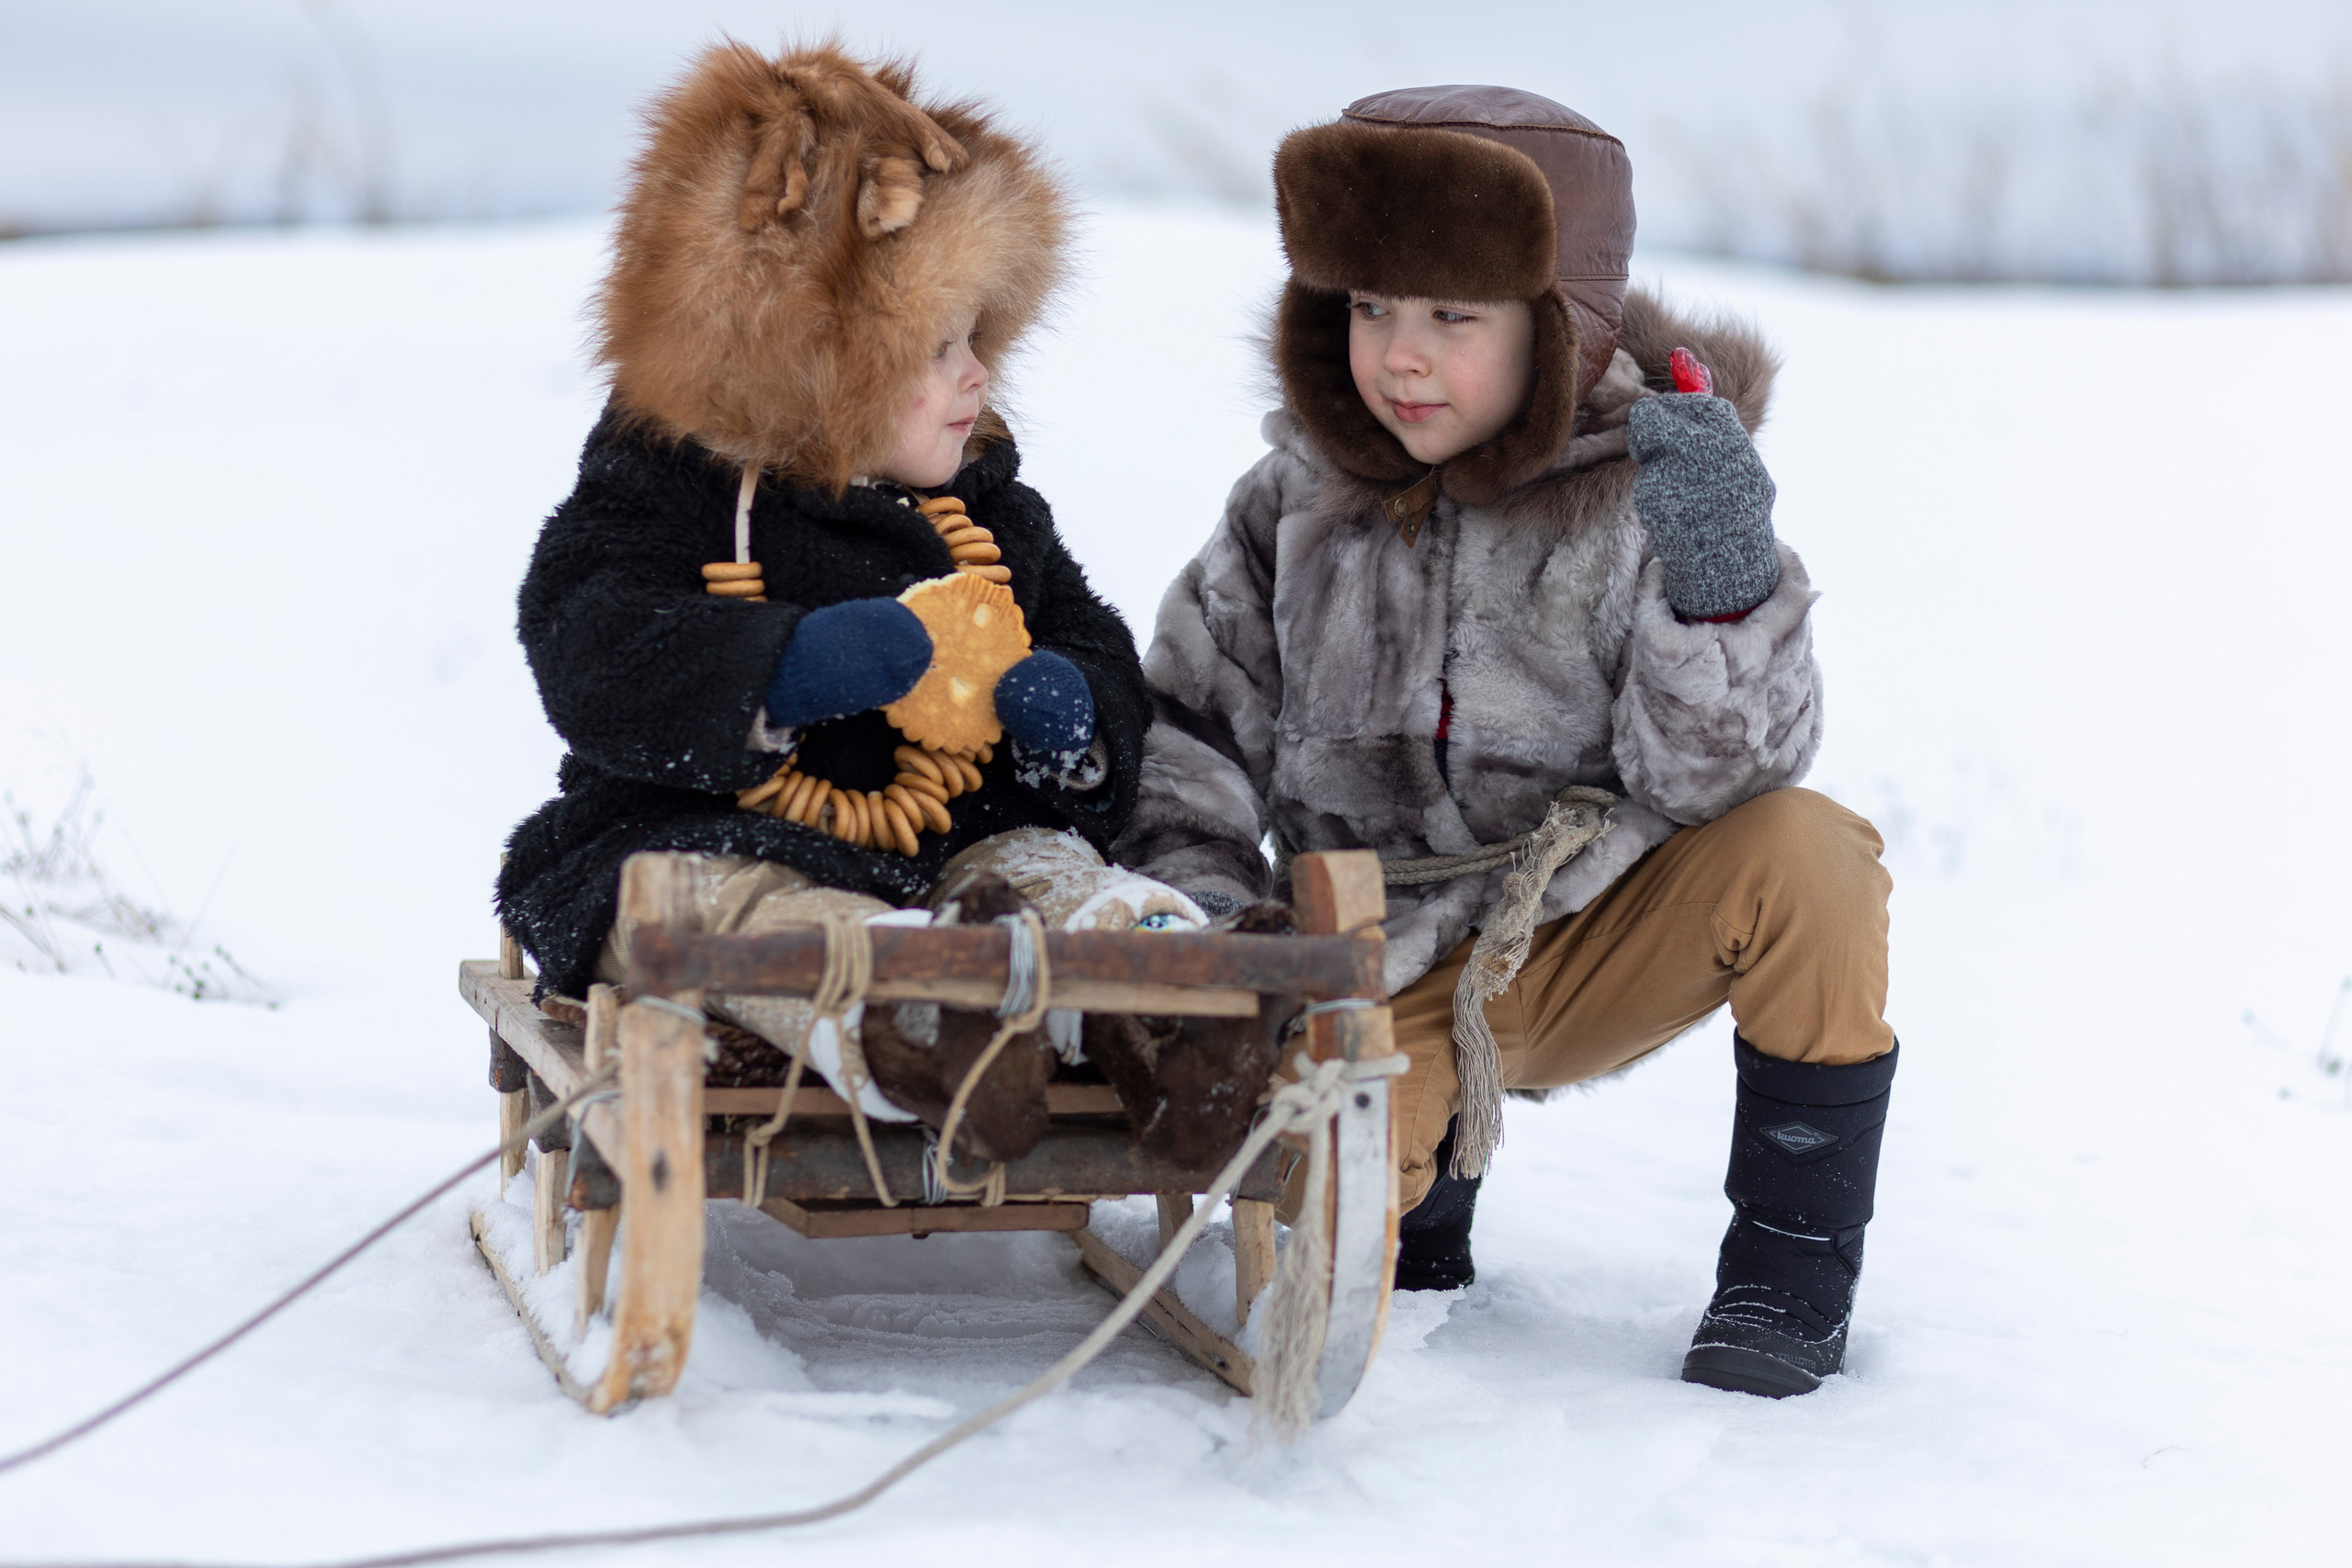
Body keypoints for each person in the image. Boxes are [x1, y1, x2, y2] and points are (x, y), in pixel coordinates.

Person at [1116, 85, 1897, 1398]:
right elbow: (1187, 736)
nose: (1399, 357)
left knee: (1809, 857)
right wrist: (1219, 928)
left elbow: (1717, 779)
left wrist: (1720, 584)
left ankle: (1789, 1267)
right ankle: (1427, 1180)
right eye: (1371, 307)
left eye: (1452, 317)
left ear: (1560, 326)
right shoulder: (1293, 502)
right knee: (1352, 1220)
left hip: (1585, 932)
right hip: (1372, 962)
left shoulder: (1656, 492)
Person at [495, 44, 1280, 1175]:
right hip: (704, 831)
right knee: (729, 910)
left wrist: (1076, 714)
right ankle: (917, 1022)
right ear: (809, 361)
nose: (978, 376)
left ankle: (1175, 1010)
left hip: (962, 842)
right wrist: (778, 669)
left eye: (979, 340)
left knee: (1054, 876)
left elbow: (1084, 628)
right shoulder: (664, 489)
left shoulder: (984, 504)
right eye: (937, 346)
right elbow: (589, 642)